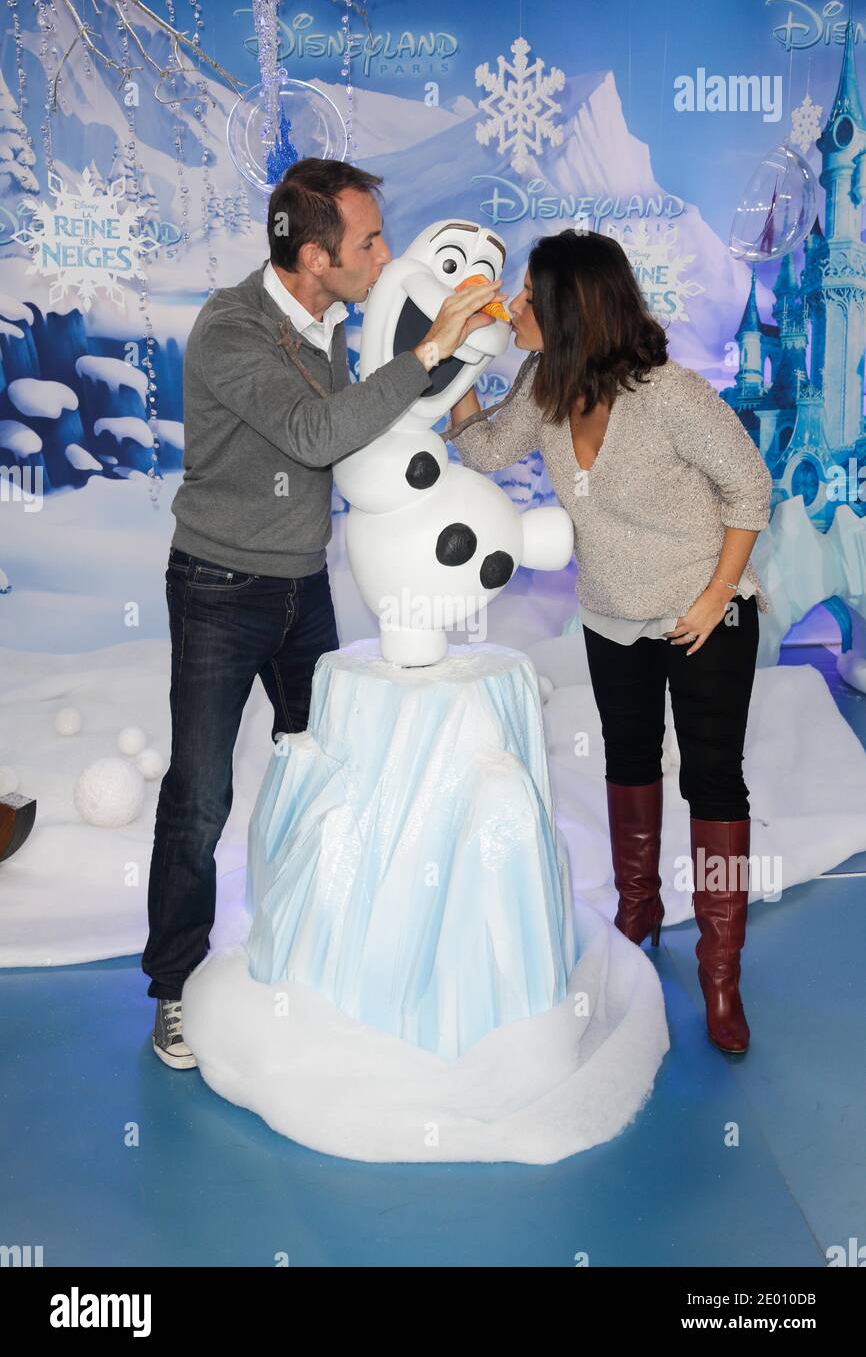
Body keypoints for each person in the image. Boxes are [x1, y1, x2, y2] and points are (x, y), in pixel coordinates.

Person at [144, 157, 502, 1068]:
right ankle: (176, 987)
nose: (385, 255)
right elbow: (315, 435)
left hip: (303, 583)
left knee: (331, 770)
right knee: (202, 794)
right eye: (369, 241)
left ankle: (318, 947)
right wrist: (427, 351)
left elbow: (385, 408)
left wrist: (458, 376)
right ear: (313, 255)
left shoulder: (340, 321)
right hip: (221, 588)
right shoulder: (230, 329)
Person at [444, 228, 773, 1056]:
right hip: (609, 613)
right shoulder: (544, 387)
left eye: (527, 299)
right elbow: (482, 448)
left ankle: (722, 972)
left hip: (705, 617)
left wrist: (716, 593)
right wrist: (459, 367)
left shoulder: (670, 394)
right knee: (627, 759)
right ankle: (638, 908)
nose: (514, 308)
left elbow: (749, 488)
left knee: (714, 781)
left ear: (568, 310)